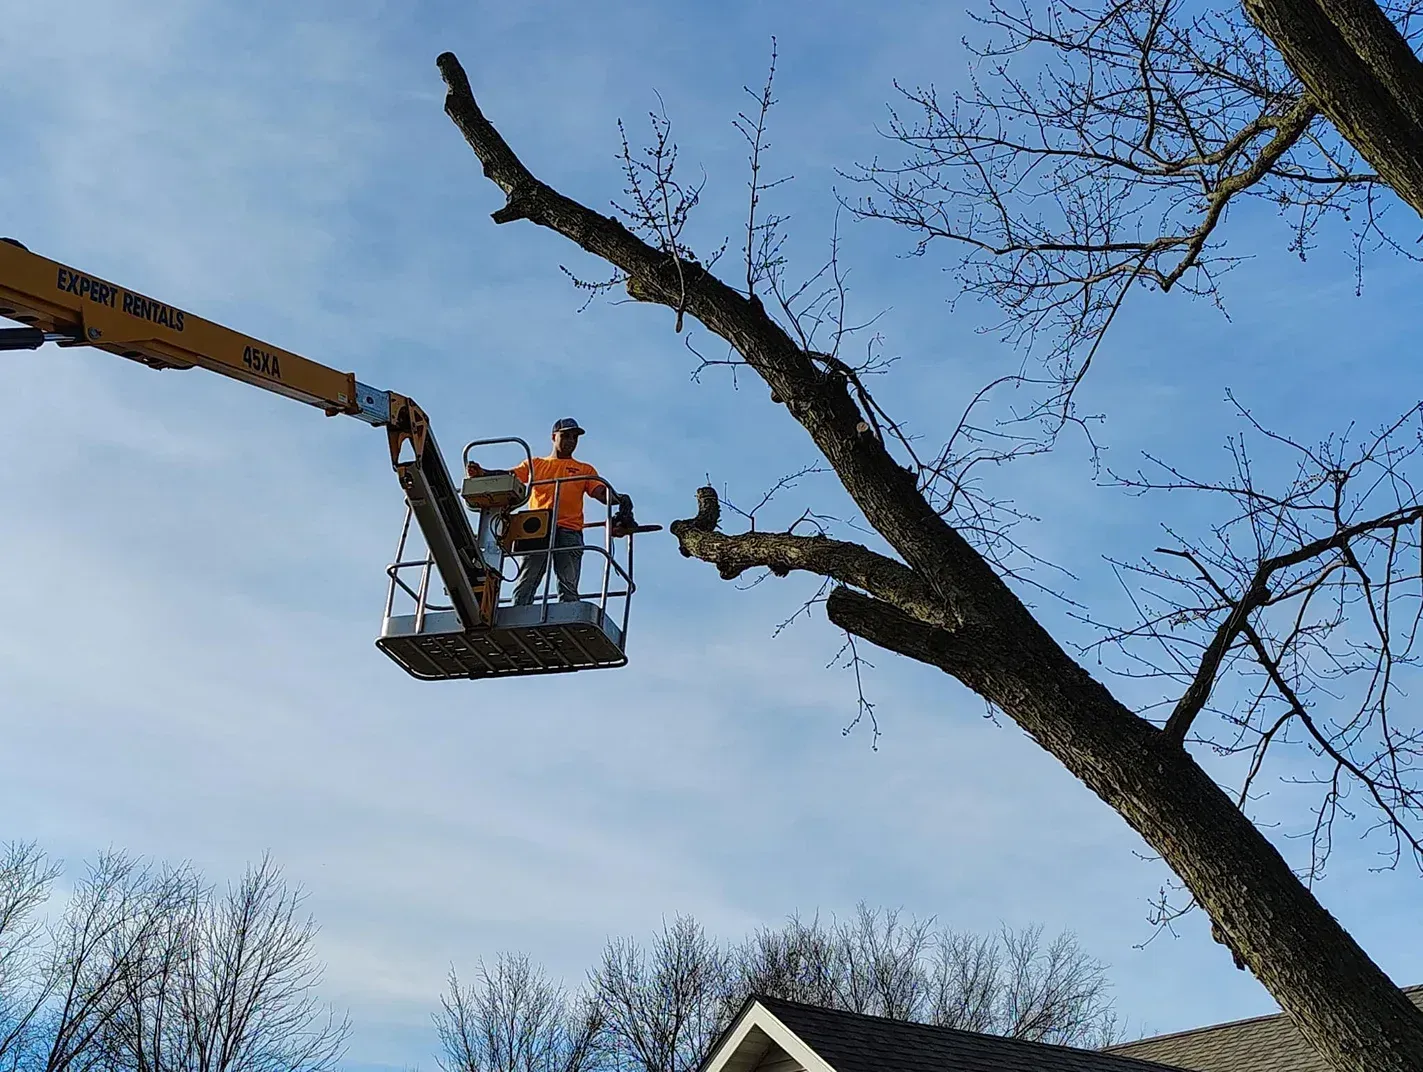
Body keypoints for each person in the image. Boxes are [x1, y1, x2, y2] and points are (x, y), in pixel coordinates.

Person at [469, 418, 620, 605]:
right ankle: (520, 610)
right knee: (527, 579)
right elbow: (510, 476)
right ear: (553, 437)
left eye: (574, 437)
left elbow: (600, 492)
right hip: (537, 527)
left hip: (569, 530)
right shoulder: (536, 465)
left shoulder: (584, 469)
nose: (571, 441)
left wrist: (619, 499)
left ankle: (567, 612)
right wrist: (483, 473)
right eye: (566, 436)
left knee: (568, 583)